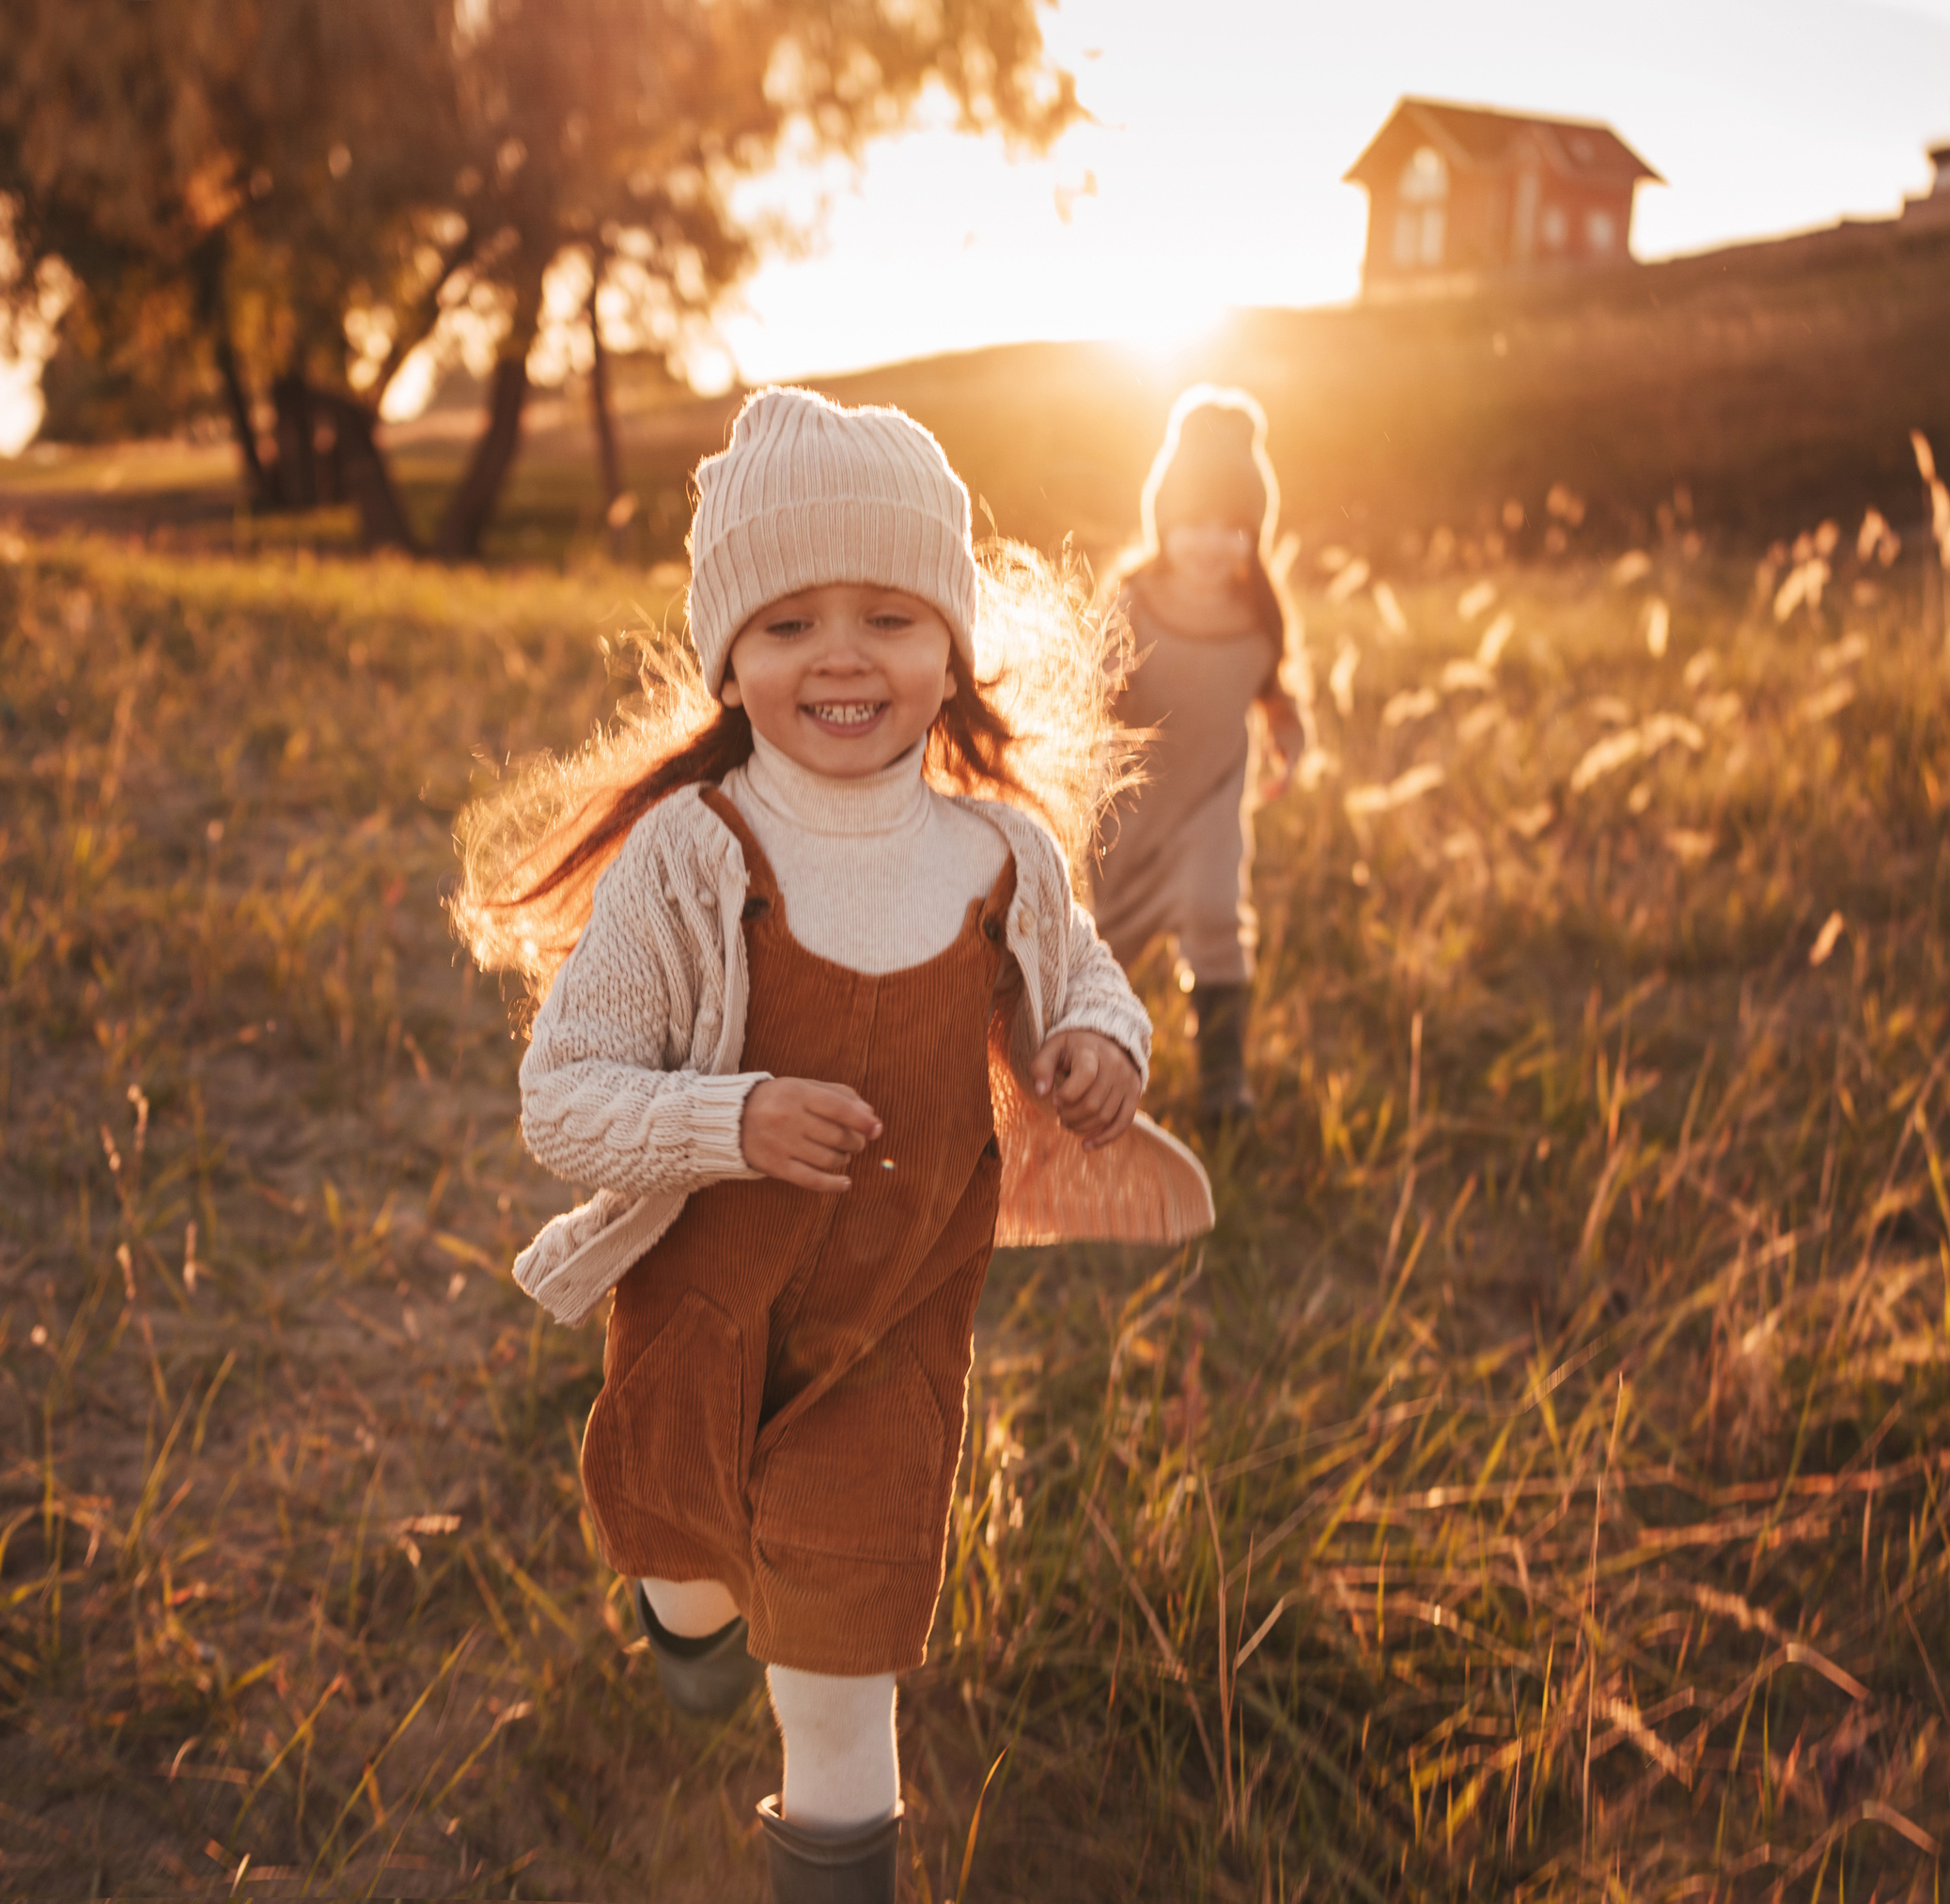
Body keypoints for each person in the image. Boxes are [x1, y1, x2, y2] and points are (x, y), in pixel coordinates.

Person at [454, 387, 1211, 1904]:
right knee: (678, 1549)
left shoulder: (1003, 854)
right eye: (789, 622)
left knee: (842, 1688)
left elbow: (1086, 978)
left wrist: (1100, 1048)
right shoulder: (694, 853)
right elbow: (562, 1095)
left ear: (951, 645)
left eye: (889, 613)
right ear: (728, 656)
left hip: (898, 1329)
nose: (844, 655)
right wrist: (727, 1117)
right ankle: (692, 1621)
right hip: (702, 1308)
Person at [1092, 386, 1310, 1130]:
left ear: (1255, 530)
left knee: (1218, 915)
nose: (1212, 543)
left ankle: (1223, 1075)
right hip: (1136, 799)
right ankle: (1090, 1064)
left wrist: (1288, 733)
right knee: (1105, 934)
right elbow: (1094, 687)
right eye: (1192, 523)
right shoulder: (1137, 598)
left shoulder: (1258, 608)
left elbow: (1271, 688)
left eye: (1232, 527)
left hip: (1215, 795)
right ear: (1164, 522)